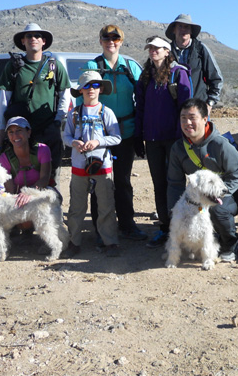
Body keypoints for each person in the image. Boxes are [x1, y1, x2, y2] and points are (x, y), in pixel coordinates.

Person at [84, 25, 146, 241]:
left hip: (126, 132)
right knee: (98, 180)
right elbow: (82, 97)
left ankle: (127, 224)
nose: (111, 41)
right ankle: (100, 228)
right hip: (99, 134)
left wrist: (140, 132)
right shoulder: (93, 66)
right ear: (100, 41)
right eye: (106, 37)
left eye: (115, 38)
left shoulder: (130, 66)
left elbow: (142, 98)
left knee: (122, 180)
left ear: (121, 41)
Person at [167, 98, 238, 262]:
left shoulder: (221, 145)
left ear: (204, 119)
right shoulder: (178, 148)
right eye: (183, 118)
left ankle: (230, 243)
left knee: (217, 208)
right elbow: (175, 183)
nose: (188, 123)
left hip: (228, 194)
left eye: (192, 117)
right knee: (185, 210)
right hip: (198, 197)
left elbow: (237, 174)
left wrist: (218, 194)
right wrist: (173, 210)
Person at [134, 36, 192, 249]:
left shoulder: (179, 74)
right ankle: (165, 228)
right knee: (159, 184)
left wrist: (181, 139)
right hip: (152, 139)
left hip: (173, 139)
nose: (153, 51)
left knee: (175, 184)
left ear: (167, 51)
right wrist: (138, 136)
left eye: (157, 48)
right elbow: (140, 107)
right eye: (150, 48)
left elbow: (185, 109)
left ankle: (181, 228)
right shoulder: (145, 76)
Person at [0, 23, 71, 185]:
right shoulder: (14, 66)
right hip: (20, 130)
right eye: (29, 36)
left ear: (43, 41)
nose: (33, 39)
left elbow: (65, 95)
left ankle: (51, 206)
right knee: (22, 170)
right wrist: (2, 128)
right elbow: (4, 99)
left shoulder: (54, 65)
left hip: (49, 127)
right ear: (23, 41)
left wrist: (58, 121)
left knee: (51, 172)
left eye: (37, 36)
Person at [63, 70, 122, 258]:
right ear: (80, 90)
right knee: (77, 206)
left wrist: (98, 142)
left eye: (95, 85)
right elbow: (66, 136)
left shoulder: (107, 112)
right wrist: (74, 143)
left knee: (106, 204)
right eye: (87, 86)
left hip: (102, 165)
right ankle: (74, 241)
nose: (91, 89)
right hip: (79, 166)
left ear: (101, 89)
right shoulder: (73, 114)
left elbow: (117, 137)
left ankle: (110, 242)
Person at [165, 13, 223, 113]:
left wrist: (210, 103)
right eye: (180, 26)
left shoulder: (200, 49)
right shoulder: (166, 52)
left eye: (187, 27)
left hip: (197, 108)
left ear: (191, 31)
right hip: (171, 109)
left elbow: (216, 79)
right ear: (174, 30)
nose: (183, 30)